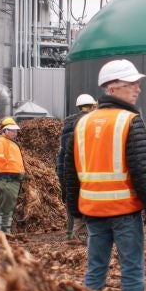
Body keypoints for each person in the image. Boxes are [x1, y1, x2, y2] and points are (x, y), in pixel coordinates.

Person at [63, 60, 146, 291]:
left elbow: (70, 170)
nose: (137, 89)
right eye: (131, 84)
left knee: (95, 270)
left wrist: (75, 210)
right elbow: (142, 171)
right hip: (124, 212)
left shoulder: (82, 123)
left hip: (94, 212)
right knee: (132, 271)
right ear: (112, 88)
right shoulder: (129, 120)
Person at [57, 93, 98, 241]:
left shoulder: (67, 126)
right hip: (85, 171)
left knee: (71, 201)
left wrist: (61, 178)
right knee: (86, 203)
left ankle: (71, 235)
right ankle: (83, 235)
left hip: (69, 172)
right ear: (92, 106)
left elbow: (61, 157)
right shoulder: (90, 124)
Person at [0, 117, 25, 234]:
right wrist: (10, 171)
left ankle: (4, 232)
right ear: (5, 130)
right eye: (12, 130)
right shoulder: (1, 141)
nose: (15, 133)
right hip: (7, 179)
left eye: (15, 131)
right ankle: (2, 233)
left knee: (7, 208)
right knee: (4, 208)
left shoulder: (10, 142)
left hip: (12, 180)